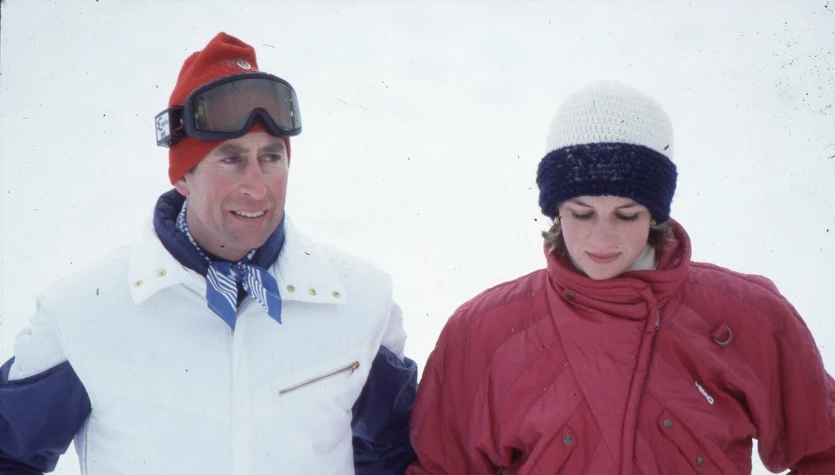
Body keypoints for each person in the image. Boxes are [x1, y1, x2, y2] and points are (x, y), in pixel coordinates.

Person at [0, 32, 417, 475]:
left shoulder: (361, 301)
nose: (256, 187)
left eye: (271, 157)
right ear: (183, 176)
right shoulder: (83, 312)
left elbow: (393, 456)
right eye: (230, 159)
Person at [407, 80, 835, 474]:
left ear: (655, 214)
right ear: (555, 211)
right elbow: (440, 467)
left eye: (626, 215)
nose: (601, 239)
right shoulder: (482, 332)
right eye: (581, 213)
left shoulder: (747, 316)